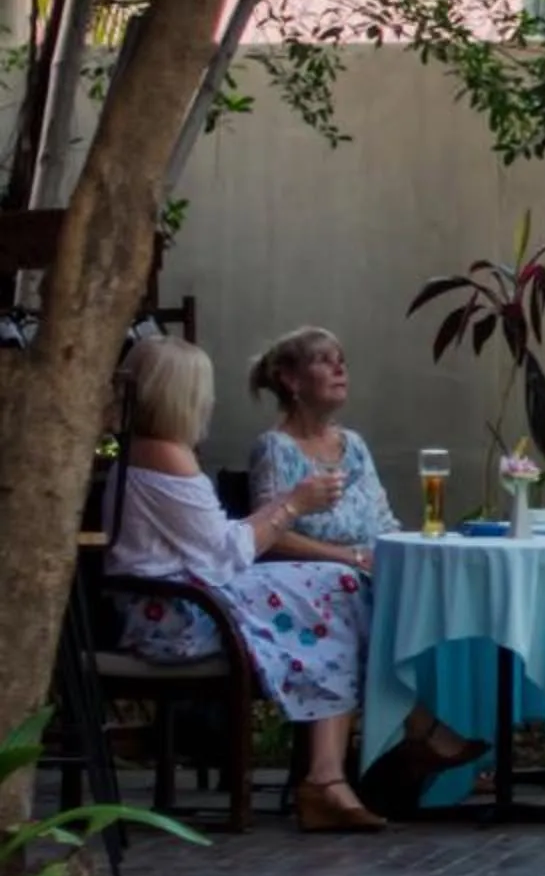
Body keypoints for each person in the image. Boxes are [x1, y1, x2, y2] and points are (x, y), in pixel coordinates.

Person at [106, 338, 478, 833]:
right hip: (174, 616)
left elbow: (218, 541)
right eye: (203, 390)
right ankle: (372, 751)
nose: (209, 401)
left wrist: (294, 513)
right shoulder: (167, 455)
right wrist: (294, 505)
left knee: (339, 590)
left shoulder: (151, 452)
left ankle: (334, 773)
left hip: (180, 600)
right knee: (340, 588)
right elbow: (224, 554)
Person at [242, 326, 397, 574]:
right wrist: (349, 557)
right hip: (316, 581)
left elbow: (384, 521)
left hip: (374, 573)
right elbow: (270, 536)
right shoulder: (275, 447)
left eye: (341, 361)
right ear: (292, 379)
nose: (340, 369)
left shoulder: (354, 445)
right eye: (324, 360)